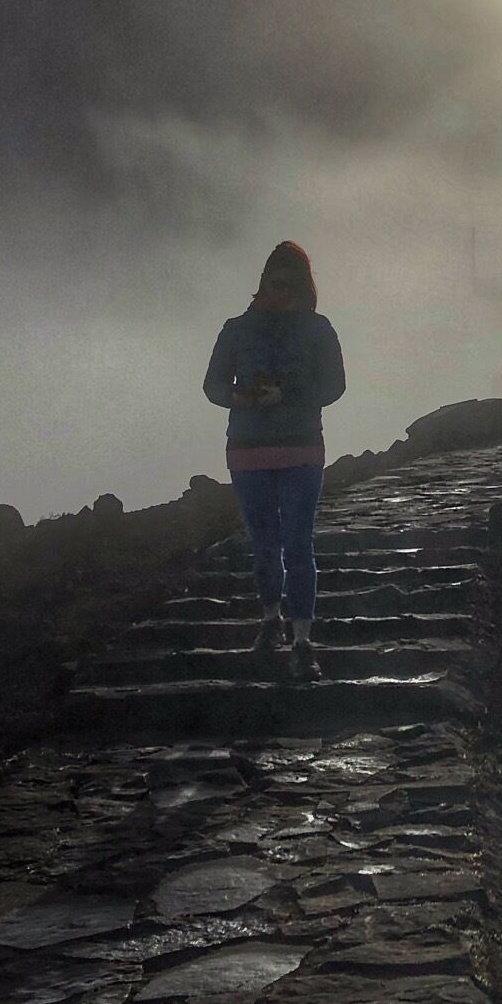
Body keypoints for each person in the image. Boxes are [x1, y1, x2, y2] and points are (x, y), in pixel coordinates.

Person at [202, 241, 346, 680]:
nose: (279, 291)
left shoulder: (318, 329)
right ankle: (271, 621)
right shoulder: (237, 330)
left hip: (297, 447)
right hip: (252, 448)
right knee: (264, 543)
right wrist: (239, 396)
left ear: (302, 287)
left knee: (297, 543)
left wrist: (287, 394)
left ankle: (301, 639)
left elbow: (336, 386)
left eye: (288, 284)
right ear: (262, 282)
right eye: (273, 282)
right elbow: (212, 386)